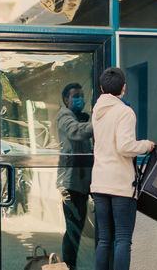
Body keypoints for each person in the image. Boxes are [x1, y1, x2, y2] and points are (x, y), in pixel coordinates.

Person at [90, 67, 155, 270]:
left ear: (101, 88)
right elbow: (125, 147)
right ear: (124, 88)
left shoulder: (97, 112)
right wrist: (147, 145)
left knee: (104, 239)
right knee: (123, 238)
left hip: (100, 183)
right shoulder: (124, 112)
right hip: (120, 185)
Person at [56, 83, 93, 270]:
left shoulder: (79, 118)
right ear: (66, 99)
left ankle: (70, 266)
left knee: (75, 231)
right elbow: (76, 132)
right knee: (73, 230)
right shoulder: (64, 115)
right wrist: (99, 125)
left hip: (81, 183)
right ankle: (69, 266)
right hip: (70, 183)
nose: (80, 99)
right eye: (76, 95)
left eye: (82, 95)